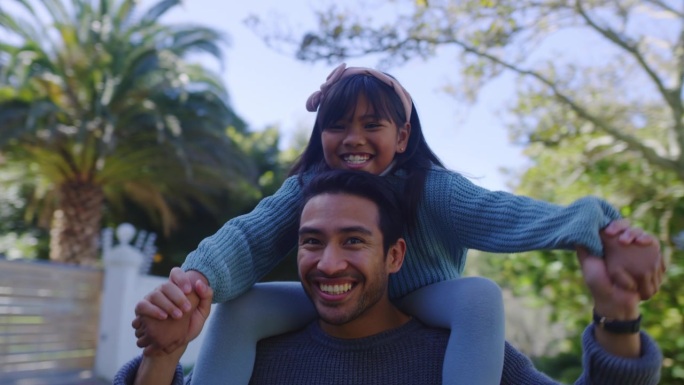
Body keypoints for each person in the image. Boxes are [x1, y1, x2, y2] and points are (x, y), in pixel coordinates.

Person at [133, 63, 665, 384]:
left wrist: (602, 229)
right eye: (336, 125)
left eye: (373, 124)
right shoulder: (306, 192)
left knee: (479, 296)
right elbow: (248, 236)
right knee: (240, 304)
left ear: (403, 137)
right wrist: (195, 282)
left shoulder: (434, 188)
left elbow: (512, 214)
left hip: (430, 298)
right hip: (336, 298)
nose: (353, 138)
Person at [117, 170, 663, 385]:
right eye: (312, 242)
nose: (329, 263)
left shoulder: (462, 356)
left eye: (354, 240)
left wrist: (619, 315)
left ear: (396, 254)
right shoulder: (254, 354)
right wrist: (161, 358)